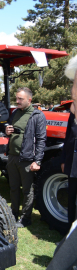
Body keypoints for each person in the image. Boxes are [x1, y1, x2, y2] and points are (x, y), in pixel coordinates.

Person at [5, 87, 46, 228]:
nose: (17, 101)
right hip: (12, 157)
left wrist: (38, 160)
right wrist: (7, 130)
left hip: (27, 159)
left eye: (20, 99)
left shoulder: (37, 116)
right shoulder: (15, 113)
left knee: (27, 190)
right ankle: (14, 213)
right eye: (16, 98)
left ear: (29, 100)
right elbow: (10, 130)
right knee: (14, 187)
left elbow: (41, 139)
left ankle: (26, 218)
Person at [60, 62, 77, 230]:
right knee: (71, 200)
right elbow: (68, 139)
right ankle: (69, 235)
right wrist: (65, 159)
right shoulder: (72, 115)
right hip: (73, 165)